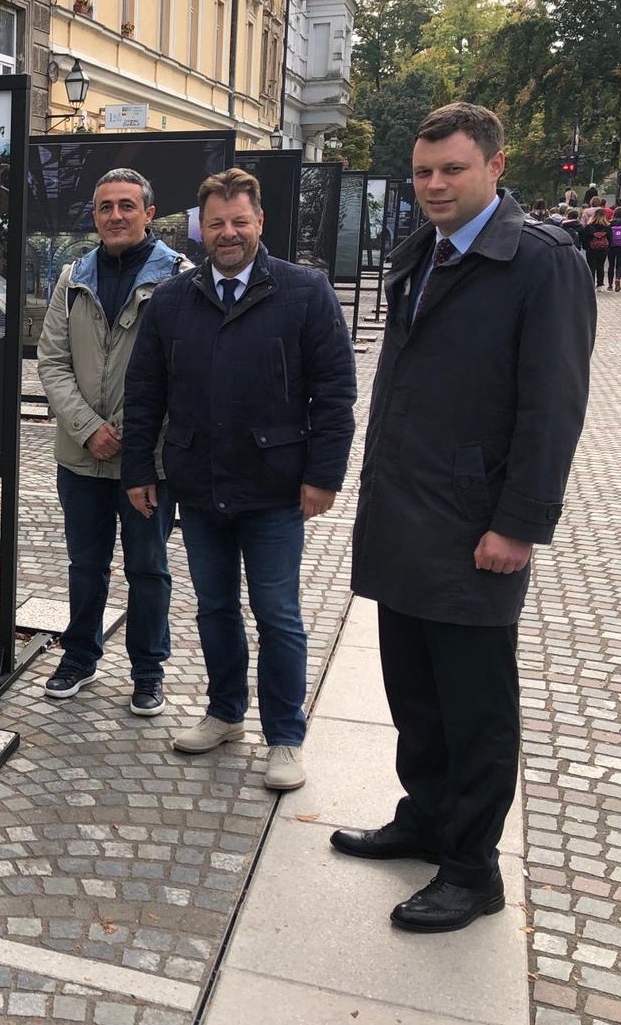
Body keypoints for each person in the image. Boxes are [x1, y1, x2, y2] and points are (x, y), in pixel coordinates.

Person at [343, 103, 595, 933]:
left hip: (473, 528)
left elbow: (552, 404)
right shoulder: (424, 249)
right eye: (422, 171)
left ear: (493, 164)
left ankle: (470, 866)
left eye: (450, 168)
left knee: (475, 706)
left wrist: (518, 522)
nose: (433, 184)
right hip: (404, 513)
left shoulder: (537, 260)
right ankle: (424, 817)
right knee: (414, 691)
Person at [122, 168, 357, 792]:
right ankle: (225, 712)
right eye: (217, 223)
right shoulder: (173, 298)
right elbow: (144, 392)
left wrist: (324, 475)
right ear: (202, 228)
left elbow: (335, 395)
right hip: (198, 484)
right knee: (214, 607)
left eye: (240, 221)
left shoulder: (305, 293)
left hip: (276, 486)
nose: (229, 233)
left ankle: (284, 736)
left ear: (259, 224)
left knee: (278, 612)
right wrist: (139, 467)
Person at [37, 168, 185, 715]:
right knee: (85, 564)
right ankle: (79, 655)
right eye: (105, 207)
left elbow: (181, 370)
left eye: (127, 205)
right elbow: (51, 362)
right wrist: (87, 427)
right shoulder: (73, 277)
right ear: (94, 216)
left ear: (149, 213)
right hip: (79, 457)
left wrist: (126, 432)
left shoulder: (178, 279)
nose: (116, 216)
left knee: (148, 568)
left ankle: (148, 670)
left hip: (148, 463)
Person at [583, 206, 611, 289]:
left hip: (591, 249)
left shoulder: (589, 227)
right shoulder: (607, 227)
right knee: (601, 266)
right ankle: (600, 284)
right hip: (603, 249)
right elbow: (610, 238)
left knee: (591, 266)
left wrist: (586, 247)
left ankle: (591, 284)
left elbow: (585, 238)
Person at [609, 204, 621, 292]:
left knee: (611, 264)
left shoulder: (610, 223)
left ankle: (610, 284)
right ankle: (618, 278)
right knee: (619, 264)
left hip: (611, 246)